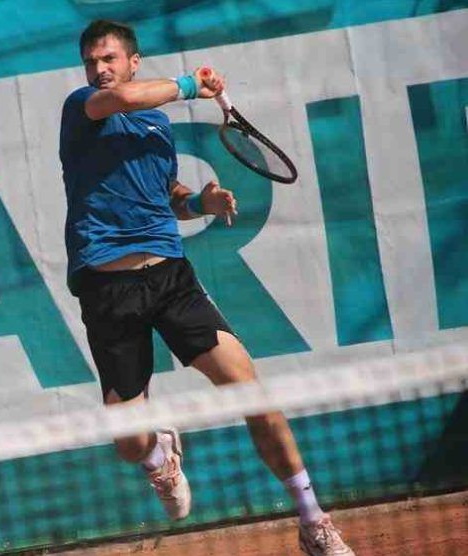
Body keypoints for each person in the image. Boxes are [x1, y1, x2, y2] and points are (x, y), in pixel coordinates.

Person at [59, 19, 354, 556]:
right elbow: (121, 99)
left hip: (172, 280)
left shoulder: (155, 126)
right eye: (91, 62)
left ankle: (314, 522)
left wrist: (200, 203)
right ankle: (158, 458)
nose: (98, 70)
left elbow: (165, 193)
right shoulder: (84, 108)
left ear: (133, 59)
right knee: (129, 444)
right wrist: (192, 85)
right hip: (109, 293)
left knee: (254, 394)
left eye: (108, 59)